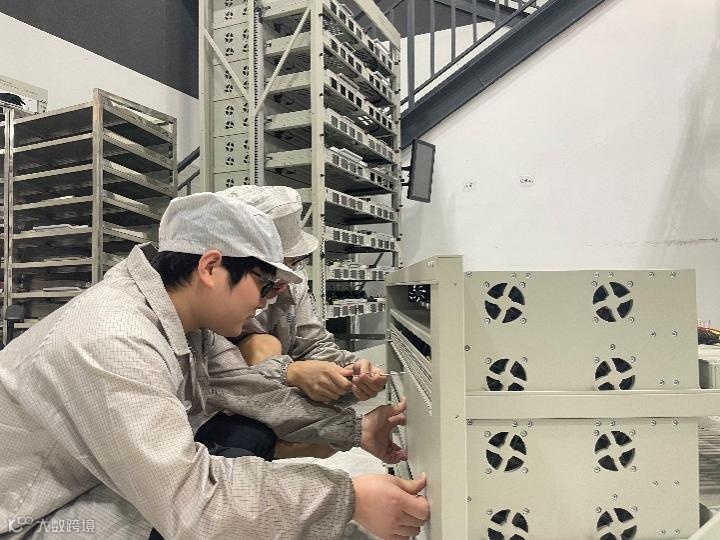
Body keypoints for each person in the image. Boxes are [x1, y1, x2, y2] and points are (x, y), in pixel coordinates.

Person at [0, 193, 429, 539]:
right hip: (28, 519)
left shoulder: (185, 322)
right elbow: (194, 507)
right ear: (210, 267)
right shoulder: (115, 341)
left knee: (241, 458)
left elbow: (254, 390)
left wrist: (355, 430)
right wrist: (348, 499)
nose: (265, 301)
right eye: (264, 284)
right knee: (204, 513)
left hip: (82, 484)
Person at [194, 185, 386, 460]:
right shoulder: (178, 325)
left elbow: (313, 344)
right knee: (264, 346)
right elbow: (223, 380)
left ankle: (271, 441)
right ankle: (269, 442)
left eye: (294, 265)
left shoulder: (290, 286)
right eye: (272, 274)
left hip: (248, 396)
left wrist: (349, 371)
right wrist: (290, 372)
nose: (284, 283)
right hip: (213, 413)